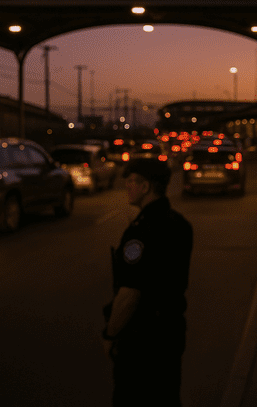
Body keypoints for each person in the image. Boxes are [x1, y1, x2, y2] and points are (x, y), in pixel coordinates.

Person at [102, 158, 193, 406]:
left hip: (143, 340)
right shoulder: (179, 224)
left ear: (146, 187)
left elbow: (131, 293)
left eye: (132, 182)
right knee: (166, 396)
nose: (127, 187)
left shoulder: (141, 231)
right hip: (171, 332)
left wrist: (111, 334)